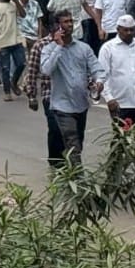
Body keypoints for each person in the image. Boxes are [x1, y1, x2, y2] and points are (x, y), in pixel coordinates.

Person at [39, 11, 107, 166]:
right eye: (65, 22)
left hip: (81, 105)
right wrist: (59, 47)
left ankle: (67, 170)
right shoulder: (49, 49)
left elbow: (96, 68)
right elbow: (46, 70)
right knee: (72, 142)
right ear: (58, 26)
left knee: (78, 142)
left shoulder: (83, 48)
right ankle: (77, 178)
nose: (70, 25)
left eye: (71, 21)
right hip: (62, 106)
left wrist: (99, 81)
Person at [23, 13, 66, 167]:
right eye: (58, 25)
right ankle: (55, 162)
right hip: (50, 95)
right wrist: (32, 97)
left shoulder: (72, 44)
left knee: (69, 131)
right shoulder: (40, 46)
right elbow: (32, 72)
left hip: (69, 96)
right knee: (55, 128)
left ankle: (67, 159)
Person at [98, 15, 135, 129]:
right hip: (121, 104)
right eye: (125, 30)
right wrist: (109, 98)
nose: (129, 33)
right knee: (123, 141)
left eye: (132, 30)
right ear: (118, 30)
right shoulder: (108, 48)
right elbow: (102, 76)